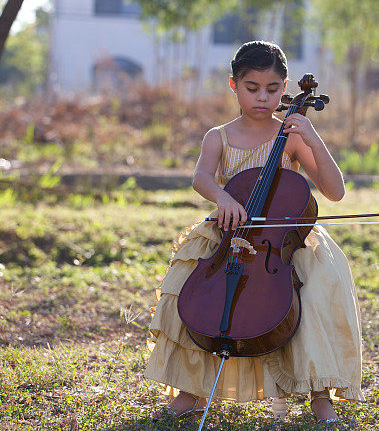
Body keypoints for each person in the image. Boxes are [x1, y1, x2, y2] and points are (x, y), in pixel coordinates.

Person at [144, 40, 364, 423]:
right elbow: (201, 177)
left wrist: (312, 138)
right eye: (252, 88)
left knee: (314, 293)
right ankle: (190, 390)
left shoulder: (292, 135)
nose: (263, 98)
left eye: (273, 89)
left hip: (283, 239)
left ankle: (320, 395)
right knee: (191, 291)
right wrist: (223, 198)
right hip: (230, 232)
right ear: (234, 85)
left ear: (286, 87)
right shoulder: (219, 136)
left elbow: (335, 191)